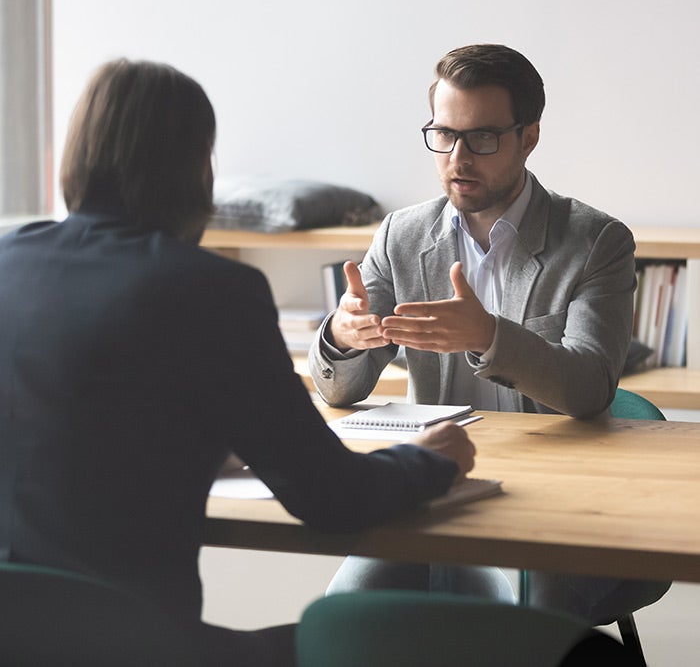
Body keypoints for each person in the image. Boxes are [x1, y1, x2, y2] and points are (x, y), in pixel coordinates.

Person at [0, 59, 476, 667]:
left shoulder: (9, 260)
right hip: (132, 644)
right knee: (397, 645)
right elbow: (331, 498)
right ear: (197, 167)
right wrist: (429, 461)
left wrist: (193, 439)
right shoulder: (211, 290)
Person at [308, 43, 669, 624]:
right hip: (443, 493)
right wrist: (343, 338)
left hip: (565, 502)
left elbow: (589, 387)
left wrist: (488, 335)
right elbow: (340, 390)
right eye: (443, 135)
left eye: (482, 138)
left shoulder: (597, 242)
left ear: (528, 138)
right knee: (342, 617)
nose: (458, 157)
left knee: (519, 623)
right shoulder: (402, 236)